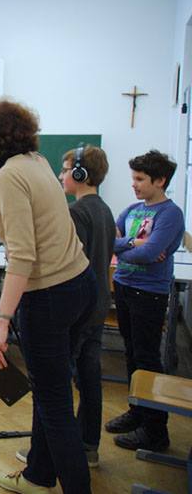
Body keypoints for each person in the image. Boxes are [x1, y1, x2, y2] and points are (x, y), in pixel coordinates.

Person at [0, 99, 95, 494]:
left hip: (48, 296)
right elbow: (3, 167)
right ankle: (38, 475)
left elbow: (22, 256)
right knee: (52, 390)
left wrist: (0, 322)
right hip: (81, 284)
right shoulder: (37, 161)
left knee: (54, 405)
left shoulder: (10, 178)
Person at [15, 145, 116, 468]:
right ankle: (88, 446)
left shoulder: (76, 213)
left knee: (54, 385)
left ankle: (45, 455)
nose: (60, 176)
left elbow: (68, 264)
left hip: (76, 310)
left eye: (65, 169)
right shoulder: (105, 210)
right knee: (89, 377)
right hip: (97, 306)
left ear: (81, 174)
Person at [105, 150, 184, 452]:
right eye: (133, 178)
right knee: (131, 354)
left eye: (140, 179)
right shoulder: (132, 209)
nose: (134, 184)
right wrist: (132, 244)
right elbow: (109, 241)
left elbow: (150, 254)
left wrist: (127, 248)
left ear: (160, 180)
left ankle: (155, 430)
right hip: (124, 286)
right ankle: (137, 411)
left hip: (149, 293)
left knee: (147, 358)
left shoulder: (170, 214)